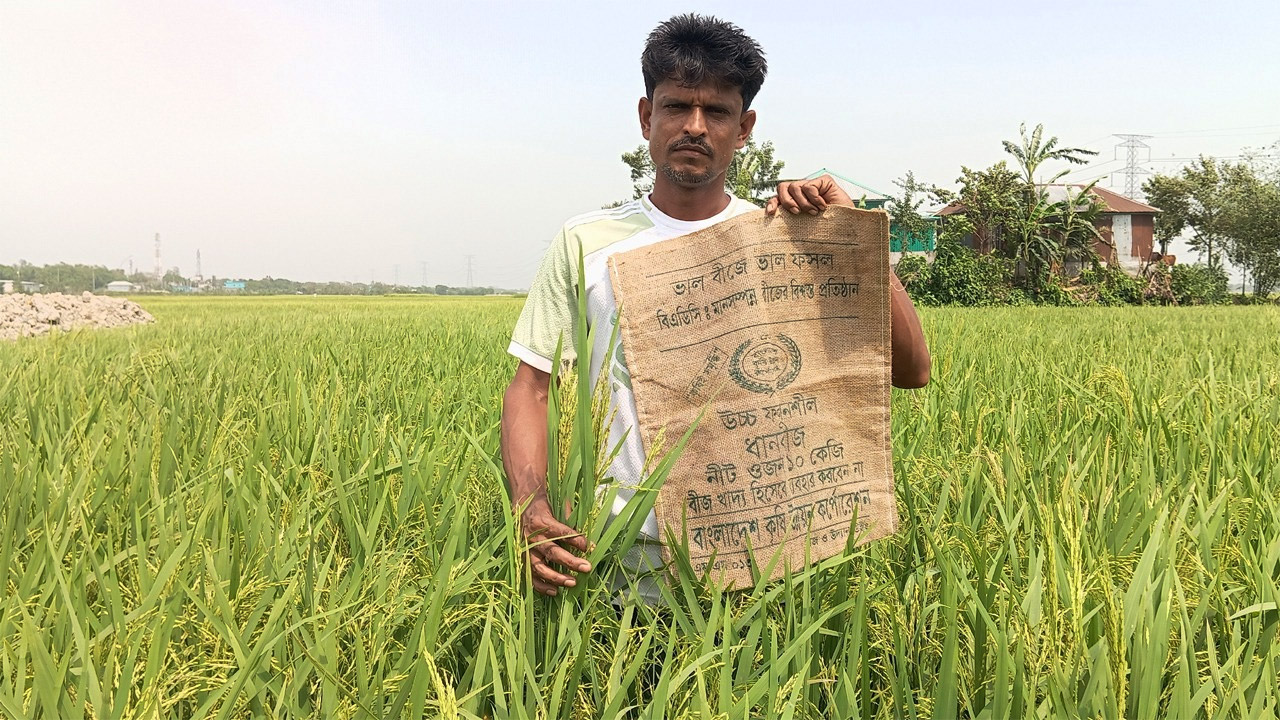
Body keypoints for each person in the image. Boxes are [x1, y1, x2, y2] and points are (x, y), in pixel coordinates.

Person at [500, 13, 931, 603]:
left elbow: (912, 370)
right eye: (677, 106)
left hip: (758, 568)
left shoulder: (780, 241)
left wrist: (847, 236)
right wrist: (530, 505)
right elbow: (532, 387)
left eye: (718, 112)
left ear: (745, 126)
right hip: (608, 566)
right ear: (647, 117)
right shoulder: (588, 242)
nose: (695, 127)